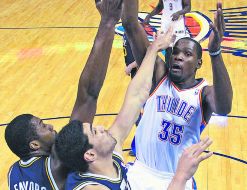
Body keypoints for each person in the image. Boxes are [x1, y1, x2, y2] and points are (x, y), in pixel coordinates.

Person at [55, 26, 213, 190]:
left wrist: (154, 48)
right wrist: (180, 176)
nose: (102, 127)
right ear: (90, 154)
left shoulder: (110, 160)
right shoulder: (92, 188)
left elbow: (135, 98)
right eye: (95, 132)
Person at [5, 0, 123, 189]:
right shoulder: (54, 165)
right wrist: (108, 22)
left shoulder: (13, 173)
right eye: (42, 126)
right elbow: (88, 95)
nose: (51, 126)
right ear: (35, 145)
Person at [122, 0, 233, 189]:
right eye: (176, 52)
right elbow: (131, 25)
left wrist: (215, 52)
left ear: (198, 63)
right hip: (140, 173)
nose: (179, 56)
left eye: (187, 54)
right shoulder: (158, 76)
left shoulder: (203, 93)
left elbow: (224, 107)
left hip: (175, 179)